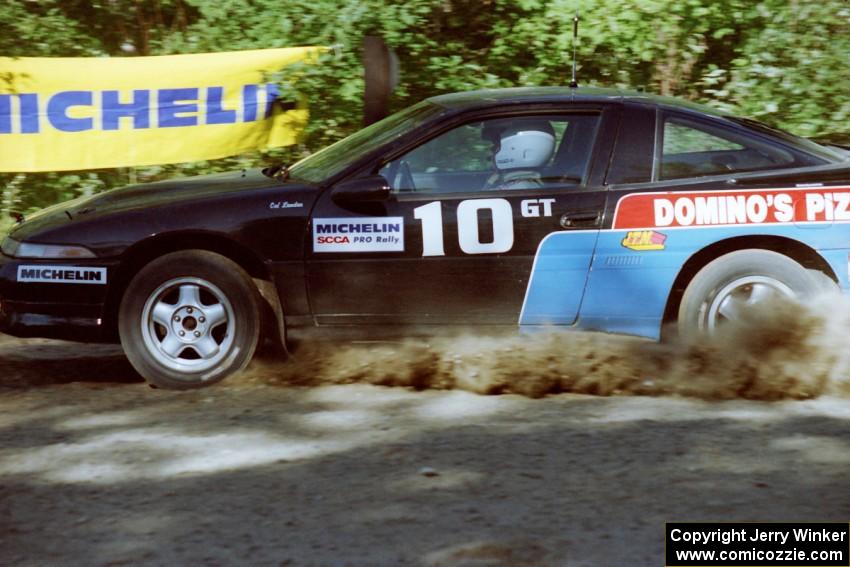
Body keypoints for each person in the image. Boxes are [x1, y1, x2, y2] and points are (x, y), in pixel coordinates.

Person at [482, 118, 556, 190]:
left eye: (496, 146)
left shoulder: (504, 191)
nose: (489, 154)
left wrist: (488, 185)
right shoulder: (535, 184)